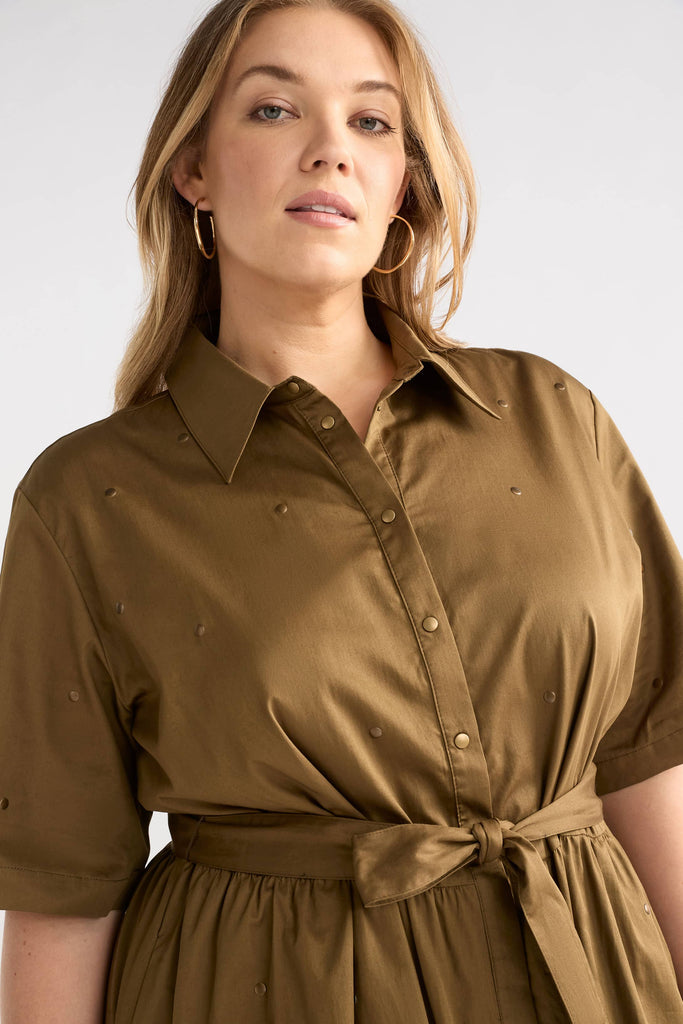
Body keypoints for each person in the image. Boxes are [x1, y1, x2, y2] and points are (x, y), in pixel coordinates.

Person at [1, 0, 682, 1020]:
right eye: (274, 111)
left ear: (403, 176)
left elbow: (645, 755)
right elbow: (60, 883)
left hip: (587, 974)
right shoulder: (90, 500)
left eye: (371, 122)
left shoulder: (552, 419)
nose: (330, 152)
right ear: (192, 169)